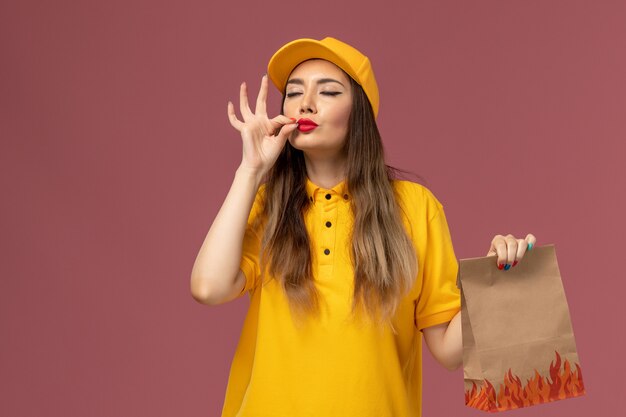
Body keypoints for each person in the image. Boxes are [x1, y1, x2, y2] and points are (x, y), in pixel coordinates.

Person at [190, 37, 537, 417]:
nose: (305, 103)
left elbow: (449, 352)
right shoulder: (266, 205)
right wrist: (251, 170)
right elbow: (208, 287)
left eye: (328, 91)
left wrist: (497, 280)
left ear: (360, 112)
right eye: (293, 92)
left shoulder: (415, 207)